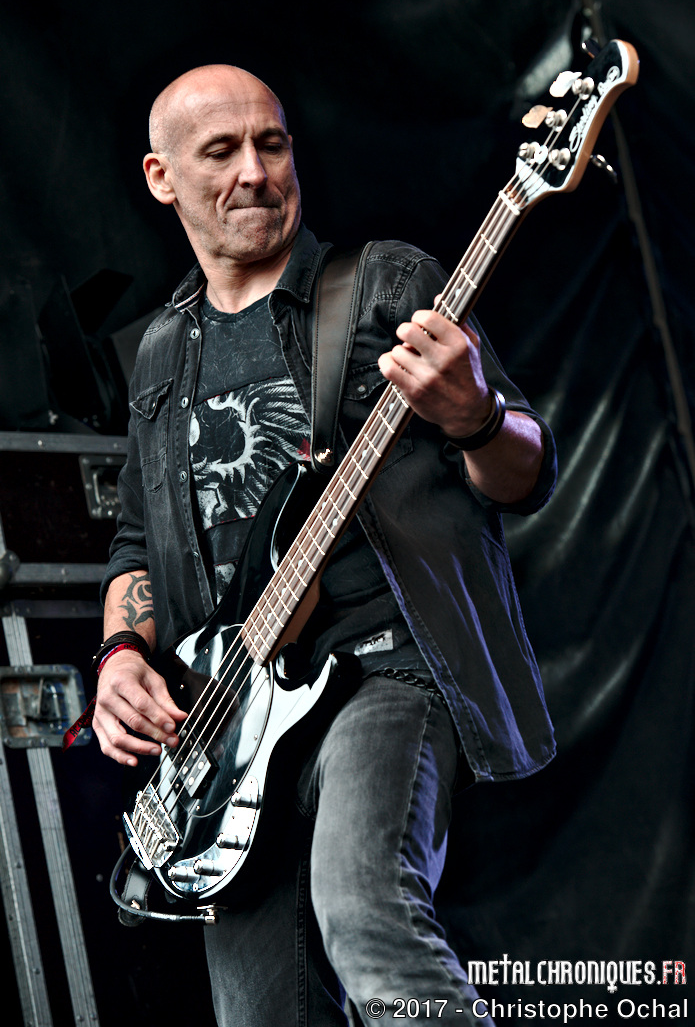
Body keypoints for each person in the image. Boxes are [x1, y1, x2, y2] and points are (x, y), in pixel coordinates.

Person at [92, 64, 557, 1026]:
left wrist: (473, 416)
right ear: (160, 177)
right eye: (220, 151)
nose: (254, 172)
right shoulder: (159, 352)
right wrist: (121, 653)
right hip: (230, 722)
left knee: (365, 909)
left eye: (271, 144)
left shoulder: (386, 282)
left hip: (386, 668)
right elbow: (137, 540)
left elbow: (526, 474)